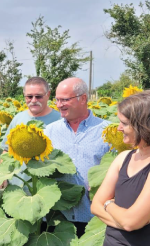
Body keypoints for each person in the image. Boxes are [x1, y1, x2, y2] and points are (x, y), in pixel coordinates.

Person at [44, 78, 110, 237]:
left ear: (83, 99)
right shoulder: (49, 131)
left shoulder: (107, 131)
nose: (59, 104)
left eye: (65, 99)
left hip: (94, 217)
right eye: (57, 99)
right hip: (57, 217)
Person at [91, 91, 150, 246]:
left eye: (124, 123)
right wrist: (125, 223)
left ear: (142, 126)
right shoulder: (123, 158)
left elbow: (130, 222)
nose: (118, 128)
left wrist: (108, 204)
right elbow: (95, 205)